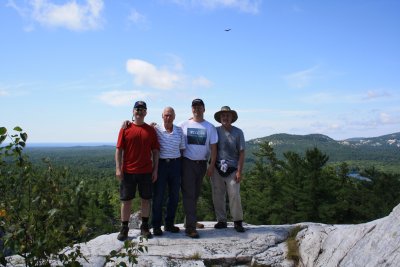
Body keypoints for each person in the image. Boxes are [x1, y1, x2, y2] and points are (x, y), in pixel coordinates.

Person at [115, 101, 160, 241]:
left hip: (146, 171)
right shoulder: (125, 128)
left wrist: (155, 170)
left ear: (146, 112)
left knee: (146, 200)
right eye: (137, 109)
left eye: (142, 109)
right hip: (128, 171)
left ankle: (144, 226)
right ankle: (124, 228)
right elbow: (119, 150)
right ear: (133, 111)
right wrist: (118, 168)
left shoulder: (151, 130)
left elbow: (155, 151)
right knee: (126, 200)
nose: (139, 111)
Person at [178, 98, 218, 238]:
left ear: (204, 109)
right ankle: (190, 228)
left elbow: (213, 148)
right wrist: (154, 126)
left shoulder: (210, 127)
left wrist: (211, 165)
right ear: (191, 109)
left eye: (199, 106)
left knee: (194, 194)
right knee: (189, 194)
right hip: (187, 163)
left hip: (201, 164)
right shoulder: (183, 125)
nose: (196, 109)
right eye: (194, 106)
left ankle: (190, 221)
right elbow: (168, 129)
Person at [151, 107, 186, 236]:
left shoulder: (179, 130)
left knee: (174, 196)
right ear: (162, 116)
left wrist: (179, 165)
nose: (168, 117)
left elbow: (182, 149)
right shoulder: (156, 129)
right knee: (158, 196)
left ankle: (169, 224)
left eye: (170, 115)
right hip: (161, 165)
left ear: (174, 116)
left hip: (176, 164)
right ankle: (156, 226)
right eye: (166, 115)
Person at [211, 106, 245, 232]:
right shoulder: (214, 131)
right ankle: (221, 220)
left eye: (227, 116)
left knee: (234, 194)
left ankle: (237, 221)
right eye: (223, 116)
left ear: (232, 118)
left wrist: (239, 171)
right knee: (217, 195)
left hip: (233, 169)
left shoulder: (238, 132)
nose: (225, 118)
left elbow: (242, 153)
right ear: (220, 118)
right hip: (217, 168)